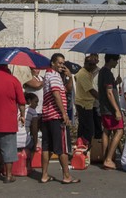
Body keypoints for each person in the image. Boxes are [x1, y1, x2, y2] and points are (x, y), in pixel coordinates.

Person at [39, 52, 79, 185]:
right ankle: (66, 175)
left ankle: (44, 175)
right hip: (56, 116)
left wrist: (69, 77)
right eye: (59, 63)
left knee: (46, 147)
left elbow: (65, 90)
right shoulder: (54, 76)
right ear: (53, 63)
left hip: (47, 116)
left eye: (63, 63)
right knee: (62, 147)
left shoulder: (49, 75)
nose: (62, 65)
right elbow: (57, 95)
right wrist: (64, 114)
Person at [98, 54, 124, 171]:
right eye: (116, 60)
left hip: (104, 107)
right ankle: (108, 159)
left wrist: (116, 83)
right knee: (119, 130)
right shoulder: (107, 73)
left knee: (106, 131)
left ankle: (106, 157)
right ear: (111, 60)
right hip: (110, 109)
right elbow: (109, 93)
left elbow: (109, 89)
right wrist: (117, 110)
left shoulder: (102, 72)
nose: (117, 63)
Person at [73, 53, 100, 149]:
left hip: (87, 104)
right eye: (91, 64)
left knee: (84, 127)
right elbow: (91, 90)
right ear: (86, 64)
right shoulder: (83, 74)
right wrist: (103, 99)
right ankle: (86, 147)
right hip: (84, 104)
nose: (93, 66)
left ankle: (81, 145)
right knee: (89, 129)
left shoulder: (87, 73)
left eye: (95, 64)